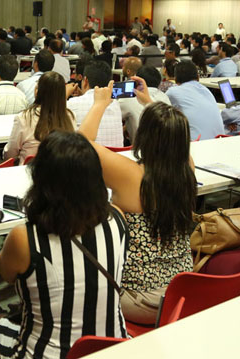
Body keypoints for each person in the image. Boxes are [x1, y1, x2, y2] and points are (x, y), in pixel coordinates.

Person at [0, 131, 128, 359]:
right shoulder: (118, 219)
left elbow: (5, 272)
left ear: (41, 181)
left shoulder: (25, 238)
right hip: (113, 348)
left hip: (45, 354)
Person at [83, 78, 194, 324]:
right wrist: (150, 104)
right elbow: (175, 139)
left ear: (143, 136)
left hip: (140, 299)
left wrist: (100, 104)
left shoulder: (131, 175)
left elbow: (78, 146)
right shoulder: (187, 170)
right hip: (183, 290)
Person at [3, 71, 75, 163]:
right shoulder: (70, 116)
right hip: (61, 169)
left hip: (29, 169)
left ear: (37, 91)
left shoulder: (24, 117)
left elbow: (10, 154)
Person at [66, 60, 124, 148]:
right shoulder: (115, 103)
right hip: (117, 155)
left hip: (86, 155)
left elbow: (53, 119)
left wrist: (64, 94)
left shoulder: (72, 103)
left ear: (85, 80)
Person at [167, 61, 225, 141]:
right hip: (219, 141)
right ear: (198, 77)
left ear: (175, 79)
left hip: (196, 144)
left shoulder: (173, 92)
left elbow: (158, 113)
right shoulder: (206, 90)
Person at [120, 65, 171, 145]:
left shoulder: (130, 97)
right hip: (165, 145)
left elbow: (114, 115)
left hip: (139, 147)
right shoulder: (165, 96)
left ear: (137, 81)